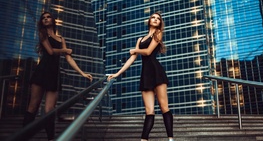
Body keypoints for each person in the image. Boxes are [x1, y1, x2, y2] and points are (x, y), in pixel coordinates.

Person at [23, 12, 93, 141]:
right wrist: (65, 50)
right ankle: (24, 136)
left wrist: (82, 73)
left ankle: (51, 138)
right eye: (43, 18)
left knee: (50, 109)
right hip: (42, 71)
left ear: (53, 20)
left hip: (54, 74)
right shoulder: (42, 34)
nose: (46, 19)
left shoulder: (61, 39)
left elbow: (69, 59)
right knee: (33, 106)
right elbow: (50, 51)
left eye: (48, 17)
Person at [107, 12, 174, 141]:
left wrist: (135, 50)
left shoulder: (158, 34)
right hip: (146, 74)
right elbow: (131, 59)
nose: (155, 20)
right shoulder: (140, 39)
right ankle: (144, 139)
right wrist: (117, 73)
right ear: (149, 20)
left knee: (164, 106)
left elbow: (148, 52)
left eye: (158, 19)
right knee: (149, 111)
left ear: (160, 23)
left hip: (157, 72)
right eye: (153, 17)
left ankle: (170, 138)